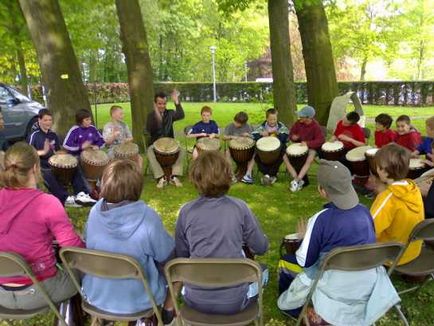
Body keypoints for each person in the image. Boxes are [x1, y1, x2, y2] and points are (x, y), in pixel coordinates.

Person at [277, 160, 399, 325]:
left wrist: (305, 238)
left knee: (286, 262)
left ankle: (297, 310)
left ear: (322, 190)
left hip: (333, 286)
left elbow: (305, 262)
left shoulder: (320, 220)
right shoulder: (365, 212)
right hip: (365, 284)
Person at [83, 159, 175, 325]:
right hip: (139, 301)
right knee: (170, 267)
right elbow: (168, 256)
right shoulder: (148, 217)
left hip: (98, 296)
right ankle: (165, 313)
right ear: (137, 187)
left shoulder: (94, 213)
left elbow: (88, 243)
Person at [175, 151, 269, 315]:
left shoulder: (186, 211)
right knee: (263, 270)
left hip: (194, 299)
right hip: (235, 302)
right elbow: (261, 247)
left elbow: (181, 254)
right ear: (227, 175)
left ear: (195, 178)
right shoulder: (240, 207)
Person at [0, 142, 84, 312]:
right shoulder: (47, 203)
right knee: (81, 268)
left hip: (2, 294)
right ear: (35, 168)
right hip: (39, 292)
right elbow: (72, 248)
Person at [27, 109, 95, 207]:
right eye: (45, 120)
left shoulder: (53, 135)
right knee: (48, 174)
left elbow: (57, 152)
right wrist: (44, 151)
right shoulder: (34, 135)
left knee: (74, 164)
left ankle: (81, 194)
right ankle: (66, 198)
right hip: (42, 165)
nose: (48, 123)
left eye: (50, 120)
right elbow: (28, 154)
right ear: (39, 120)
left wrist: (67, 153)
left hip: (55, 163)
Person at [370, 143, 424, 265]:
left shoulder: (388, 198)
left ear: (382, 170)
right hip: (413, 251)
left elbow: (369, 230)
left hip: (392, 256)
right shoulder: (413, 189)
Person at [146, 91, 185, 189]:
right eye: (159, 103)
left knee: (182, 150)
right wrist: (157, 116)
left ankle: (174, 176)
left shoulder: (170, 113)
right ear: (155, 104)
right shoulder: (151, 116)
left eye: (164, 103)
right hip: (155, 144)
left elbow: (181, 115)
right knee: (149, 151)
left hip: (170, 143)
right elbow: (149, 130)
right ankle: (160, 177)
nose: (162, 106)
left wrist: (176, 101)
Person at [285, 106, 324, 192]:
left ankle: (297, 180)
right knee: (285, 156)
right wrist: (293, 137)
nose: (299, 118)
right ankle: (297, 180)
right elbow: (291, 134)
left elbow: (320, 140)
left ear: (308, 118)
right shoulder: (298, 123)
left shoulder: (315, 126)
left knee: (310, 157)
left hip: (311, 148)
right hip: (299, 146)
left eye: (302, 116)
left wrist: (307, 143)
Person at [245, 108, 288, 185]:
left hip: (277, 150)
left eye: (274, 119)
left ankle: (267, 175)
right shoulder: (262, 127)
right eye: (270, 119)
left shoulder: (281, 126)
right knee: (257, 153)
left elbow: (286, 137)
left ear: (277, 118)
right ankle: (270, 176)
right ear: (266, 118)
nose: (272, 121)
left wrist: (278, 134)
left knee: (283, 150)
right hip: (264, 150)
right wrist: (261, 134)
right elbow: (254, 135)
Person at [223, 111, 254, 182]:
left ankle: (248, 175)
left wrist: (248, 135)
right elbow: (224, 137)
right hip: (233, 149)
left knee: (254, 153)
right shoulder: (230, 126)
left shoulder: (248, 127)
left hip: (246, 150)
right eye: (235, 121)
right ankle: (231, 175)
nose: (235, 123)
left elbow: (254, 138)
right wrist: (232, 137)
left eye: (238, 123)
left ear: (243, 124)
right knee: (227, 152)